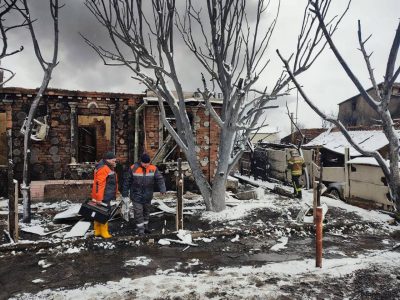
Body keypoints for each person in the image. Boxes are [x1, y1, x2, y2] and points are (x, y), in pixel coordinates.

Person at [122, 153, 166, 236]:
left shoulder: (153, 168)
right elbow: (127, 181)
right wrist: (124, 193)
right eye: (144, 163)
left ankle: (145, 227)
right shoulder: (133, 168)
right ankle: (140, 230)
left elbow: (160, 179)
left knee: (146, 212)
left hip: (148, 195)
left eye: (148, 163)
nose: (146, 165)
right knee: (138, 212)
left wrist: (162, 189)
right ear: (140, 162)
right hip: (136, 195)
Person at [91, 151, 118, 238]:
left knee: (99, 212)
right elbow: (100, 184)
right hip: (104, 195)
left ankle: (97, 231)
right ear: (108, 160)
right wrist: (99, 198)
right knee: (104, 213)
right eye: (113, 161)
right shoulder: (104, 168)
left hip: (104, 194)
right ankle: (103, 232)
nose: (115, 162)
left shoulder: (105, 166)